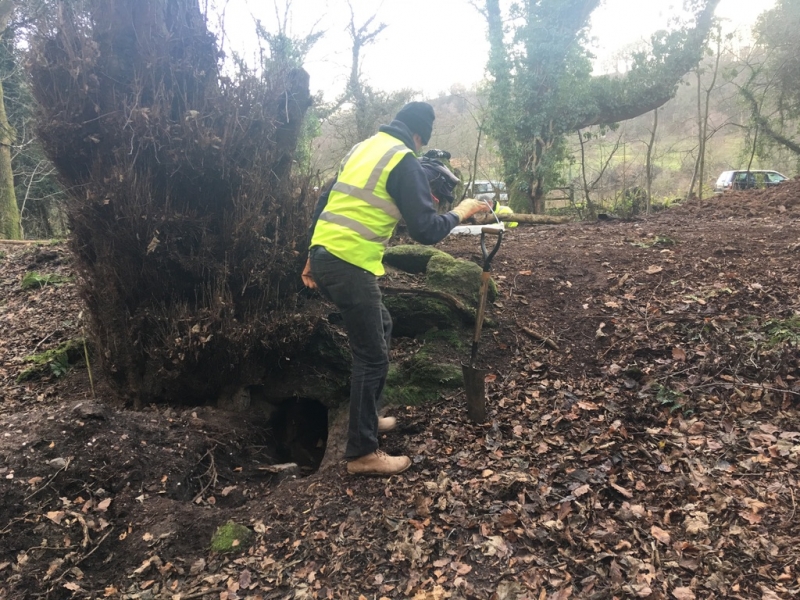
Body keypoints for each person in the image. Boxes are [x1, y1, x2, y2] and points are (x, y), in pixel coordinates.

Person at [301, 102, 490, 476]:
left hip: (327, 254)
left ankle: (368, 417)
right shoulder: (404, 160)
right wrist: (463, 211)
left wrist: (311, 253)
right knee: (371, 354)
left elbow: (325, 201)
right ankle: (361, 453)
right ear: (420, 135)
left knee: (382, 326)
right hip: (349, 261)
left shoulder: (363, 147)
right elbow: (425, 230)